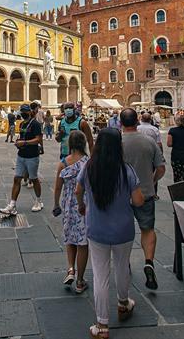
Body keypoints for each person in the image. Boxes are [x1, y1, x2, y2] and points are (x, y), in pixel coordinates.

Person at [76, 128, 144, 338]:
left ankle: (102, 325)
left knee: (100, 275)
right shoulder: (127, 170)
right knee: (122, 267)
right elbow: (139, 200)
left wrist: (82, 206)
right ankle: (123, 304)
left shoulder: (89, 168)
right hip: (123, 229)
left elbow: (78, 191)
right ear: (118, 146)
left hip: (97, 229)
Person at [120, 108, 166, 290]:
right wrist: (151, 182)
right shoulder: (149, 142)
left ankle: (125, 263)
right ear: (136, 121)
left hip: (122, 196)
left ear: (121, 123)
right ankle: (148, 262)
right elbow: (161, 168)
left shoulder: (117, 143)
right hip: (145, 193)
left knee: (124, 231)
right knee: (147, 229)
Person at [52, 130, 89, 293]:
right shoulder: (89, 162)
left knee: (69, 239)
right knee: (82, 242)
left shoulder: (63, 163)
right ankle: (80, 281)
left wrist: (56, 204)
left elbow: (58, 187)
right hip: (84, 205)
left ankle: (70, 269)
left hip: (68, 204)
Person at [1, 104, 44, 214]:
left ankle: (38, 201)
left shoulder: (35, 124)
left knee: (34, 179)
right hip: (21, 155)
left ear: (30, 112)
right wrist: (18, 142)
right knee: (17, 178)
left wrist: (24, 142)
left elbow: (38, 139)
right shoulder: (22, 124)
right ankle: (12, 204)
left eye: (25, 111)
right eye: (22, 111)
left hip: (32, 156)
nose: (23, 113)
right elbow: (23, 137)